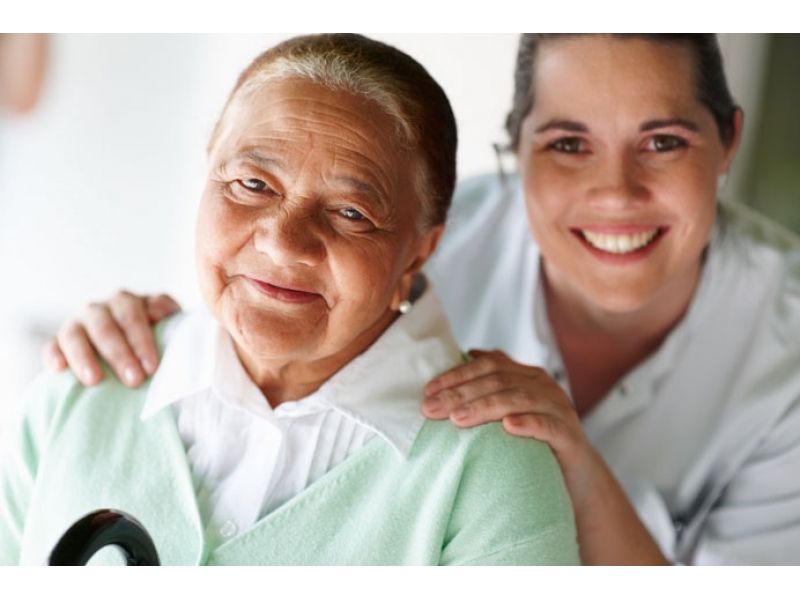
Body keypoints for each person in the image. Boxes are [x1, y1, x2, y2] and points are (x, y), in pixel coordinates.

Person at [40, 34, 800, 566]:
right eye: (568, 143)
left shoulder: (493, 468)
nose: (614, 192)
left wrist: (572, 461)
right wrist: (115, 339)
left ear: (729, 141)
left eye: (663, 141)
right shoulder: (455, 222)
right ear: (520, 148)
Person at [0, 34, 579, 566]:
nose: (283, 242)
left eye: (351, 213)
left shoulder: (488, 473)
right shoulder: (77, 390)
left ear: (418, 254)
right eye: (252, 184)